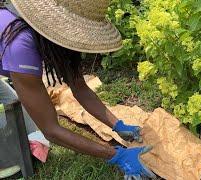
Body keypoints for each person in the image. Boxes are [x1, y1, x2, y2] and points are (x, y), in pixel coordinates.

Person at [0, 0, 156, 179]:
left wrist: (118, 125)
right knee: (13, 148)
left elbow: (79, 87)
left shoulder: (54, 38)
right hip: (14, 51)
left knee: (23, 124)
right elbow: (51, 130)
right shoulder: (20, 45)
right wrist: (116, 155)